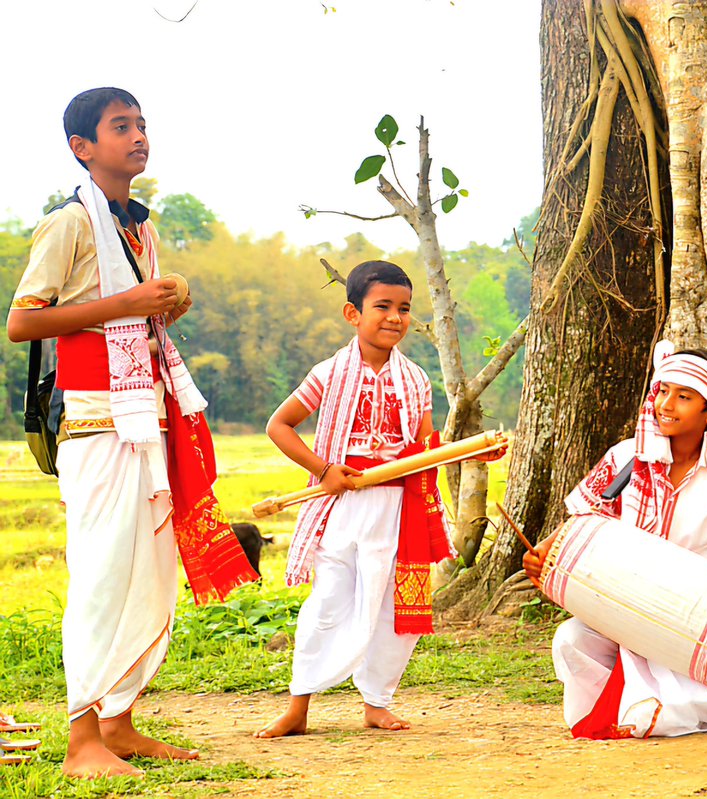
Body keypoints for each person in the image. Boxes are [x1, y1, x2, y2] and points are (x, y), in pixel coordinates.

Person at [6, 87, 255, 778]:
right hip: (94, 424)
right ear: (82, 147)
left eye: (142, 124)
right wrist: (126, 302)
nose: (138, 136)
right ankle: (81, 737)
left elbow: (130, 321)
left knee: (149, 576)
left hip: (144, 417)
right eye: (121, 126)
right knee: (102, 576)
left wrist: (161, 304)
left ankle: (118, 721)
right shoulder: (68, 225)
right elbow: (23, 322)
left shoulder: (139, 229)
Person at [254, 261, 498, 739]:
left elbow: (427, 449)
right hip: (342, 507)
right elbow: (278, 426)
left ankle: (377, 703)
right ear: (353, 313)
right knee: (327, 603)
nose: (394, 317)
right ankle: (298, 705)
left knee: (393, 608)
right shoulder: (328, 373)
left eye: (404, 308)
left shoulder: (416, 379)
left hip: (398, 512)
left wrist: (475, 450)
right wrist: (324, 470)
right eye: (382, 306)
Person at [523, 344, 707, 739]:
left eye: (684, 397)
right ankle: (624, 706)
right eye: (663, 391)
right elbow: (582, 520)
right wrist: (543, 553)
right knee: (571, 639)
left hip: (701, 613)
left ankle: (651, 704)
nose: (667, 404)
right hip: (625, 602)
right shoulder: (624, 458)